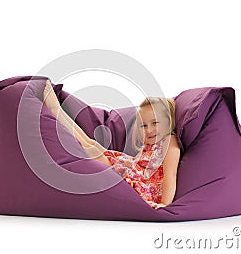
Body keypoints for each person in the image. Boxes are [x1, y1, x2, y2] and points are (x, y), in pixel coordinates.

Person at [43, 79, 180, 209]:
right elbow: (139, 163)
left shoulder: (169, 141)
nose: (149, 130)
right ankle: (57, 111)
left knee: (88, 148)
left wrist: (165, 204)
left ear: (168, 121)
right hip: (130, 171)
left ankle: (55, 110)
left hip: (141, 186)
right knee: (91, 143)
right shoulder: (151, 143)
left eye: (155, 123)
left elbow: (171, 174)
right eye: (143, 125)